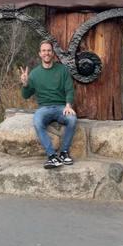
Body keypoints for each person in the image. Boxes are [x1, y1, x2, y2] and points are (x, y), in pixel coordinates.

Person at [20, 40, 77, 169]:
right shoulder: (34, 74)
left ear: (53, 53)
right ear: (40, 54)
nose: (46, 53)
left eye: (49, 51)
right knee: (37, 121)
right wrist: (25, 84)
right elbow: (25, 95)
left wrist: (68, 105)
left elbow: (69, 89)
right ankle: (52, 156)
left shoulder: (62, 70)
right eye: (44, 51)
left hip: (61, 107)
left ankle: (63, 153)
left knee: (72, 119)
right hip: (44, 108)